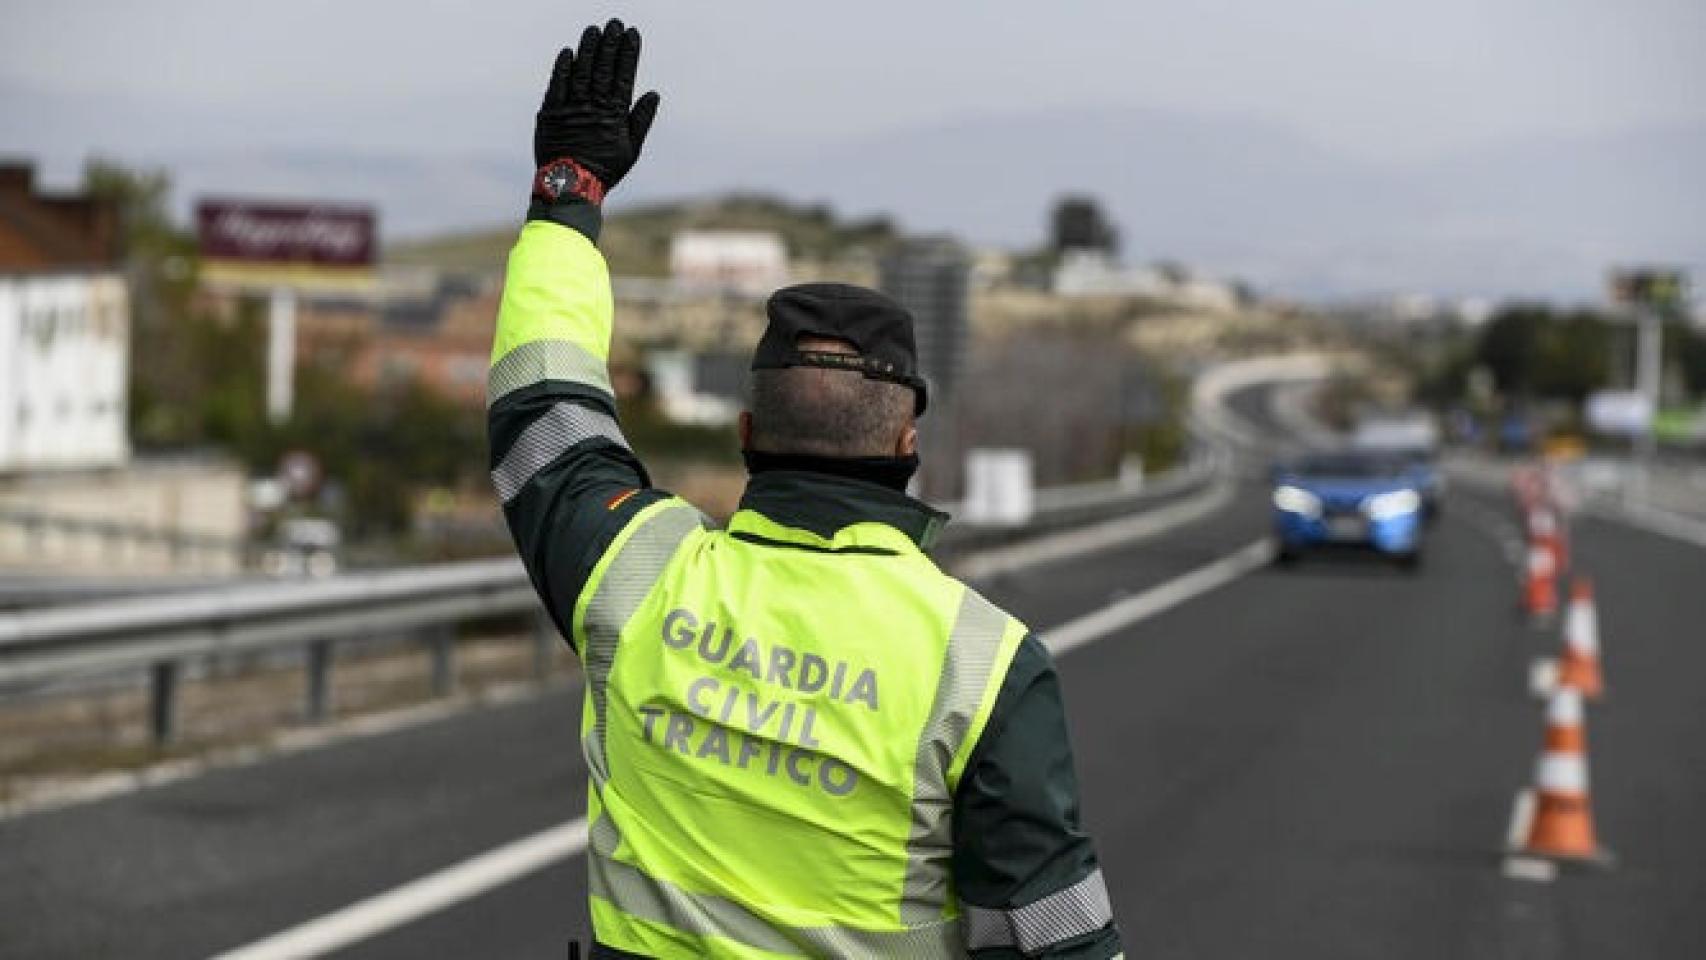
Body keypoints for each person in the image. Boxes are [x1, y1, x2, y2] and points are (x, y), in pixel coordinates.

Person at [489, 19, 1124, 959]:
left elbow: (543, 402)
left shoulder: (634, 573)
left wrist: (567, 193)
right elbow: (1058, 942)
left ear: (747, 434)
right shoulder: (985, 665)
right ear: (908, 441)